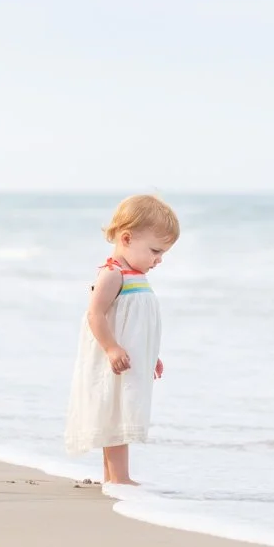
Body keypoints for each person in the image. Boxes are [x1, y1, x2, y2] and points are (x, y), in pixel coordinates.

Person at [64, 194, 180, 484]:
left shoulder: (135, 274)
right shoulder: (113, 274)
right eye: (155, 250)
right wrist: (112, 348)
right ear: (127, 238)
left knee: (120, 412)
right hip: (113, 360)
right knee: (115, 415)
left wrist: (151, 354)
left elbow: (137, 325)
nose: (159, 260)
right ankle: (119, 477)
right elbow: (95, 315)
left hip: (128, 359)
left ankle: (112, 477)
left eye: (163, 253)